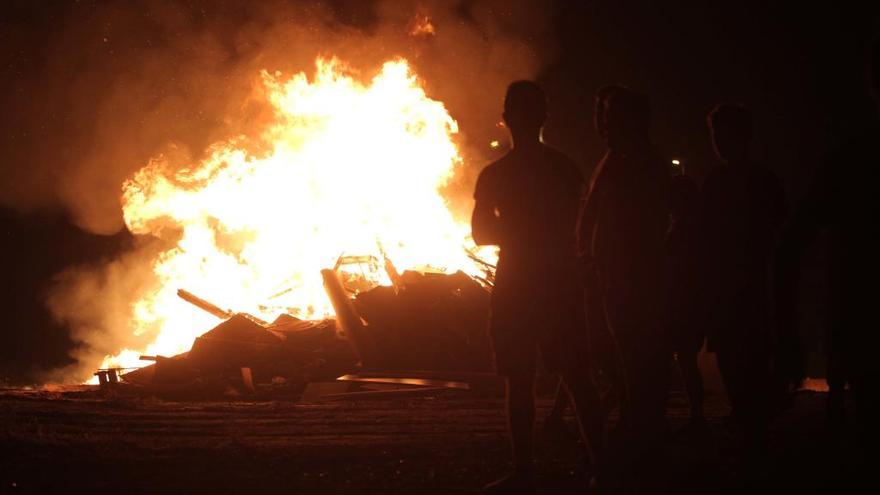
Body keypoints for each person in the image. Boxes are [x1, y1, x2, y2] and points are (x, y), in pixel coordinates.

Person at [472, 81, 604, 493]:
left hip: (522, 279)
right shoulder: (564, 168)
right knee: (573, 377)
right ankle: (602, 467)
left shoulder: (497, 174)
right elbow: (577, 227)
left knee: (522, 380)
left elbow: (481, 232)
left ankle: (527, 472)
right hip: (554, 280)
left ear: (506, 116)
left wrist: (513, 230)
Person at [776, 42, 880, 441]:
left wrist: (786, 337)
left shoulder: (848, 164)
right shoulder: (848, 164)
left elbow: (789, 248)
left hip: (861, 340)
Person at [577, 88, 671, 459]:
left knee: (638, 353)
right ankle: (635, 423)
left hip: (634, 276)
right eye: (602, 116)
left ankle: (643, 430)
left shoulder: (642, 163)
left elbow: (642, 222)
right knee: (620, 354)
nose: (603, 124)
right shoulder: (614, 158)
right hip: (610, 275)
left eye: (612, 117)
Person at [700, 104, 788, 451]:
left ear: (742, 136)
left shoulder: (761, 182)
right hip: (725, 290)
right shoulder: (716, 182)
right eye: (714, 135)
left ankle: (753, 429)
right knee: (731, 360)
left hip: (752, 288)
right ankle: (749, 423)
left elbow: (778, 234)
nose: (718, 142)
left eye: (724, 134)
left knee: (750, 357)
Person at [666, 162, 707, 430]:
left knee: (681, 359)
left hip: (682, 304)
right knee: (686, 360)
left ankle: (696, 414)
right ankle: (697, 413)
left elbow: (676, 268)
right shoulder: (694, 229)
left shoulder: (682, 231)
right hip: (690, 304)